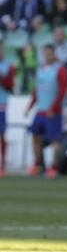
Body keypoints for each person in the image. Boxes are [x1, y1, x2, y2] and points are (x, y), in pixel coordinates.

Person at [24, 44, 67, 178]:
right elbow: (36, 91)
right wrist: (30, 107)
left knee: (55, 140)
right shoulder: (40, 70)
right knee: (35, 137)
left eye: (49, 53)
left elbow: (62, 91)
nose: (47, 56)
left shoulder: (59, 70)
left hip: (53, 112)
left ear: (54, 54)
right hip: (40, 111)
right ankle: (38, 164)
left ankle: (54, 167)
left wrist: (53, 108)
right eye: (45, 53)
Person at [0, 46, 15, 177]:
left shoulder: (8, 66)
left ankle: (2, 165)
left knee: (1, 135)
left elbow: (10, 85)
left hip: (1, 104)